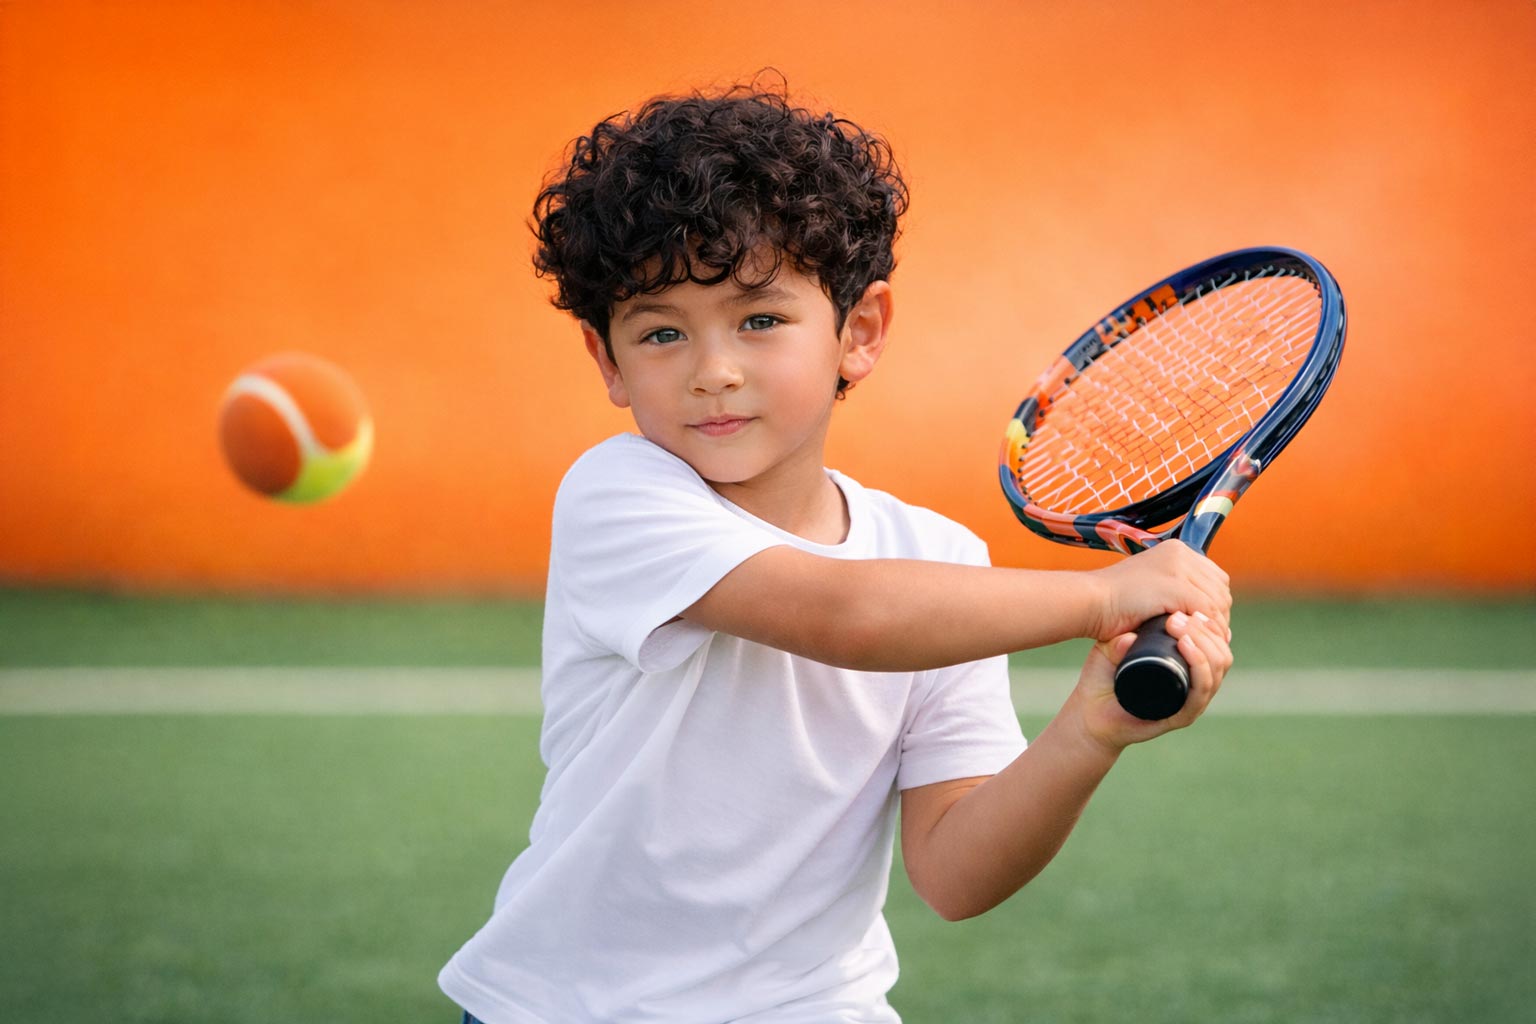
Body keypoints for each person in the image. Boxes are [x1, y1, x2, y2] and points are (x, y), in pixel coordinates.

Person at [439, 82, 1233, 1024]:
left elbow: (954, 874)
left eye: (760, 319)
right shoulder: (618, 496)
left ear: (859, 332)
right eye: (660, 333)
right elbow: (844, 614)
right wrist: (1102, 597)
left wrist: (1089, 733)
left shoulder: (940, 561)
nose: (713, 369)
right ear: (607, 363)